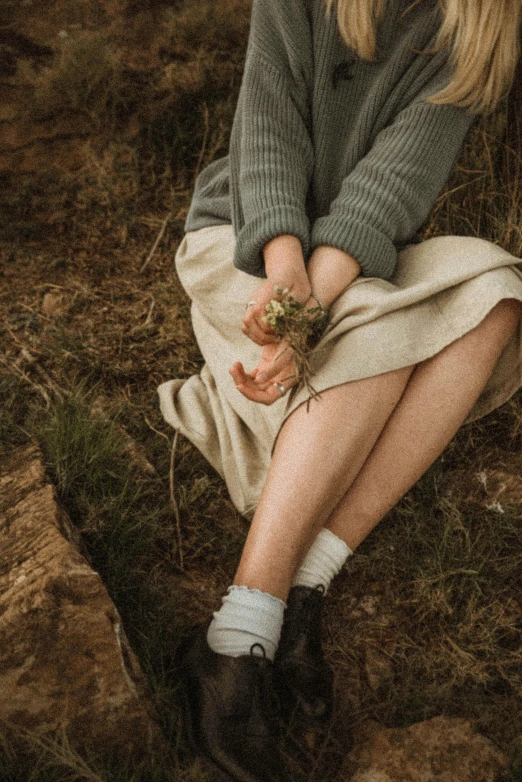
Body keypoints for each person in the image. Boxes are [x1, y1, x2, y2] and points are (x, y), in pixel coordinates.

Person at [158, 0, 522, 780]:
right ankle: (236, 636)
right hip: (250, 235)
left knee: (496, 295)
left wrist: (315, 310)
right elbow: (266, 134)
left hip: (359, 253)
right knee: (386, 332)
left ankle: (307, 582)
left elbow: (392, 186)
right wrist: (289, 295)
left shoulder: (486, 21)